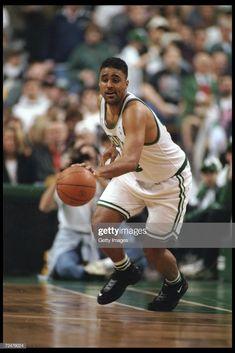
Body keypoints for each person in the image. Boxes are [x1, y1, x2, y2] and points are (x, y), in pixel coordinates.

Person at [74, 57, 192, 311]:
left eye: (115, 80)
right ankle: (125, 270)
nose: (109, 85)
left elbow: (129, 160)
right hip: (135, 176)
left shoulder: (136, 111)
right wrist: (111, 148)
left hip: (168, 183)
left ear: (127, 83)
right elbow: (120, 136)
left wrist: (97, 171)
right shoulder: (102, 103)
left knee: (153, 251)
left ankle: (175, 283)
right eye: (104, 79)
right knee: (101, 224)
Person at [39, 143, 107, 280]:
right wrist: (60, 177)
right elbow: (44, 207)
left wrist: (97, 174)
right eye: (81, 157)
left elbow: (117, 203)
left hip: (96, 239)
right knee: (65, 267)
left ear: (96, 160)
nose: (85, 162)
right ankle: (89, 273)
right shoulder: (68, 183)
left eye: (89, 158)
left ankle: (96, 270)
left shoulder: (101, 184)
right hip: (69, 236)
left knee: (134, 254)